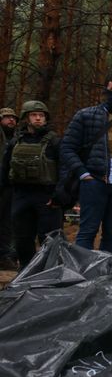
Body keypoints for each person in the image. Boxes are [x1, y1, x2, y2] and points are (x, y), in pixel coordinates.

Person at [61, 74, 112, 254]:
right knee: (87, 231)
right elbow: (67, 147)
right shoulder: (86, 115)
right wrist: (83, 173)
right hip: (94, 181)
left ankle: (105, 276)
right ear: (105, 91)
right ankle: (81, 274)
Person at [0, 101, 63, 269]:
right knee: (22, 238)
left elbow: (64, 169)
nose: (38, 118)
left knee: (49, 239)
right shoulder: (16, 142)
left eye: (41, 115)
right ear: (26, 118)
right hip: (21, 195)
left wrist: (60, 195)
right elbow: (5, 168)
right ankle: (26, 271)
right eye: (34, 115)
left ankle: (49, 273)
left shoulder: (54, 141)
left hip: (47, 196)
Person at [0, 107, 22, 269]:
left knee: (8, 221)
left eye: (13, 118)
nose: (11, 120)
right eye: (7, 117)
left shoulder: (18, 138)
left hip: (10, 185)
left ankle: (5, 255)